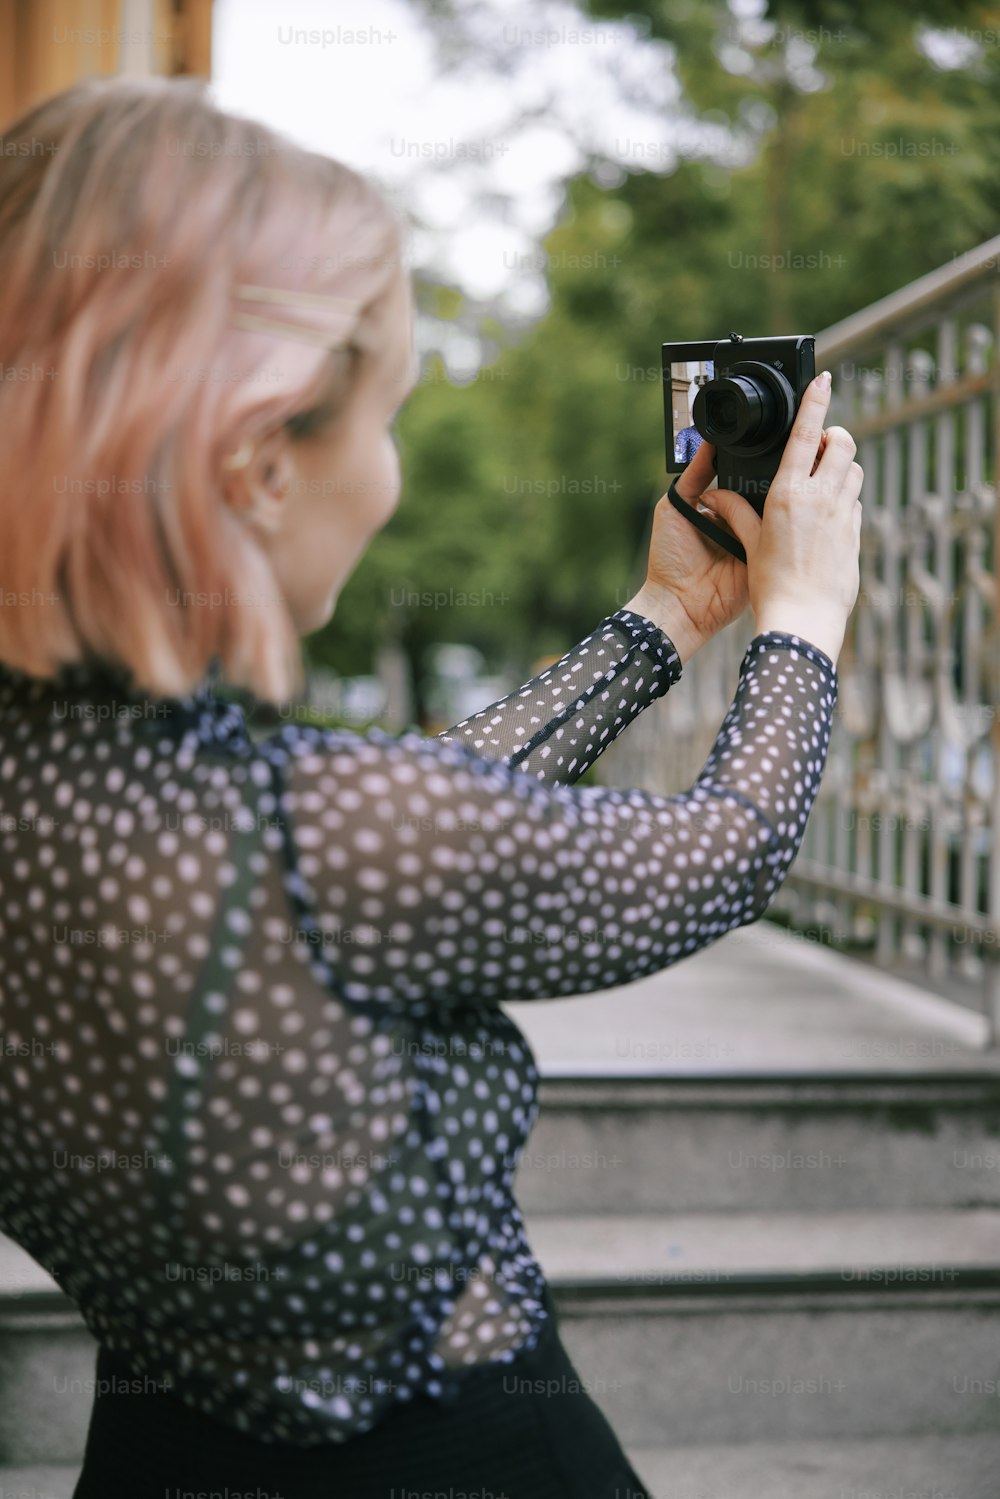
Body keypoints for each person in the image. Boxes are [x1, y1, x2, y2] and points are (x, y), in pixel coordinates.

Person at [0, 77, 863, 1499]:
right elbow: (723, 851)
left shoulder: (119, 786)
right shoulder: (309, 828)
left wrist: (663, 620)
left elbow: (394, 818)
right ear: (258, 459)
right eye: (385, 418)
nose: (391, 481)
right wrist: (804, 621)